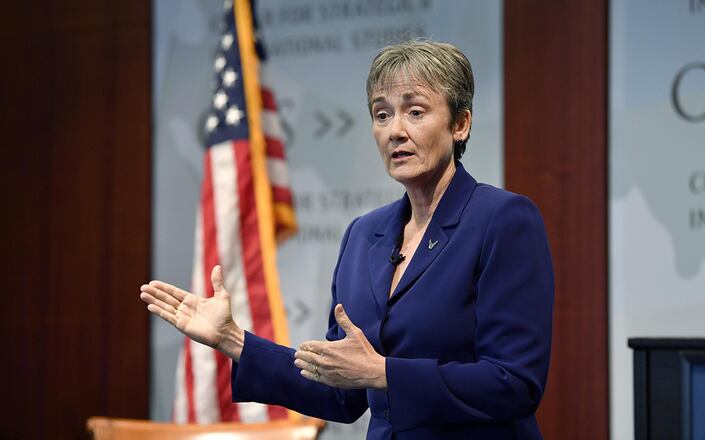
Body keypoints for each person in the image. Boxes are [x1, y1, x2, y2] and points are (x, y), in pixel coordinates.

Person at [141, 39, 554, 439]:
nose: (395, 131)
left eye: (415, 111)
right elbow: (342, 391)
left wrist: (383, 373)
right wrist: (233, 340)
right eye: (381, 114)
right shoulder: (364, 236)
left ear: (460, 124)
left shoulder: (501, 220)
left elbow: (515, 382)